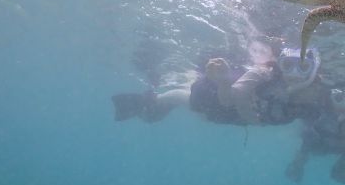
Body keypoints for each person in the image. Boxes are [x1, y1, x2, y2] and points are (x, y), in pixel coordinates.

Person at [111, 45, 327, 127]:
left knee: (173, 103)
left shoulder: (313, 94)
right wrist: (223, 82)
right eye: (288, 65)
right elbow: (234, 96)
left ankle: (149, 106)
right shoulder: (264, 73)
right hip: (217, 99)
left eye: (303, 67)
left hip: (230, 117)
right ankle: (146, 102)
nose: (294, 74)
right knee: (179, 98)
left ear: (314, 71)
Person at [285, 85, 345, 184]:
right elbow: (306, 140)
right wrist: (297, 163)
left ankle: (340, 170)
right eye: (339, 98)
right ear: (332, 99)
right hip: (321, 144)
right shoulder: (320, 112)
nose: (344, 104)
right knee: (308, 141)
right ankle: (297, 165)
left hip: (343, 147)